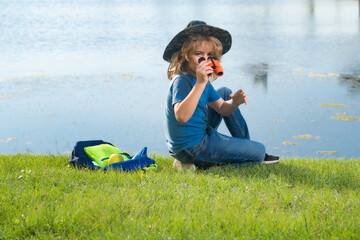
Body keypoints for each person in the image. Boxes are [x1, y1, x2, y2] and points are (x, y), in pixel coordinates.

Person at [163, 20, 279, 170]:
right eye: (198, 54)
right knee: (260, 151)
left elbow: (223, 109)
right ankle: (214, 166)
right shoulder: (182, 80)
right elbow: (182, 116)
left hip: (194, 140)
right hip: (192, 147)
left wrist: (235, 102)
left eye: (209, 55)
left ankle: (244, 148)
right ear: (184, 56)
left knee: (224, 92)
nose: (205, 59)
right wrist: (200, 83)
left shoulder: (202, 79)